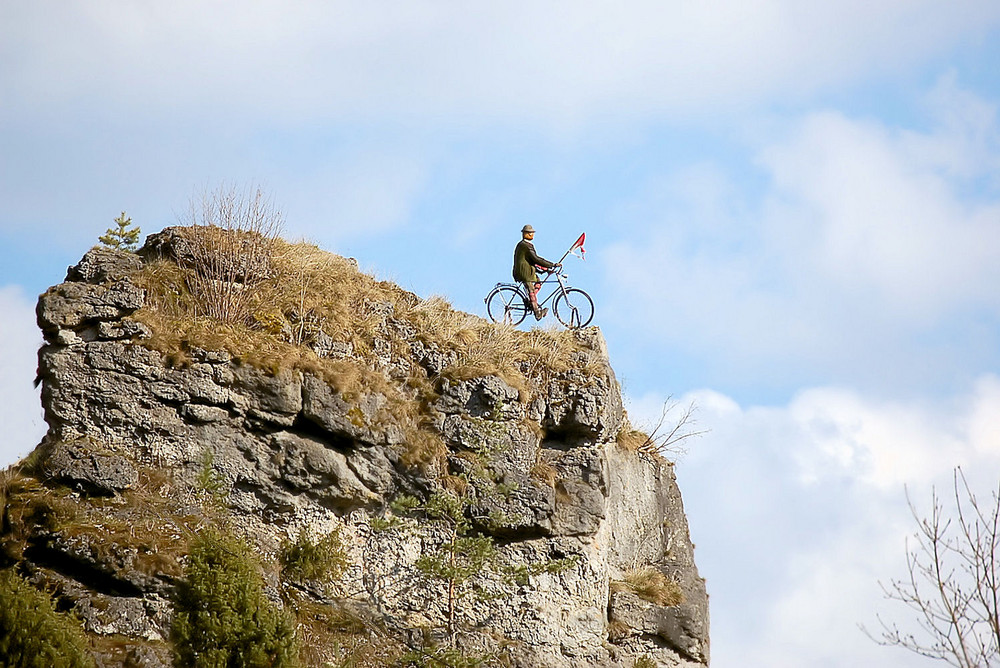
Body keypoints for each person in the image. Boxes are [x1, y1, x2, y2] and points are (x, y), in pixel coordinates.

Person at [512, 224, 560, 320]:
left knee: (538, 282)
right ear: (525, 234)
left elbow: (531, 261)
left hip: (528, 271)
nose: (532, 235)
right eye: (530, 233)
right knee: (531, 291)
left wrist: (545, 270)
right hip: (524, 273)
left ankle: (531, 301)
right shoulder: (525, 245)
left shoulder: (525, 245)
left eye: (532, 233)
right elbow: (536, 259)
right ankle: (537, 313)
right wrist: (552, 264)